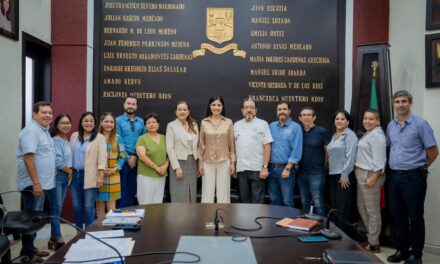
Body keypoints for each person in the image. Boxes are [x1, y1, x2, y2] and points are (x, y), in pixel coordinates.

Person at [386, 90, 438, 264]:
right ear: (393, 104)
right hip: (394, 177)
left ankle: (416, 254)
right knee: (398, 215)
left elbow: (433, 151)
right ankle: (401, 249)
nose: (400, 105)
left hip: (413, 177)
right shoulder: (390, 126)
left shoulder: (420, 124)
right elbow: (390, 148)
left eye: (404, 101)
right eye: (397, 102)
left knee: (415, 216)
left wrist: (421, 168)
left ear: (410, 103)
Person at [16, 101, 54, 262]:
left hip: (40, 184)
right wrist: (36, 182)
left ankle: (31, 249)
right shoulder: (31, 131)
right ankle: (27, 254)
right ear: (34, 114)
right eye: (43, 112)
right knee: (31, 219)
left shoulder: (43, 130)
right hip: (34, 185)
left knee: (36, 218)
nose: (48, 115)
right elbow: (28, 157)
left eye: (50, 113)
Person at [354, 109, 387, 253]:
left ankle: (374, 244)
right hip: (361, 174)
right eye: (365, 118)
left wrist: (373, 178)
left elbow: (380, 160)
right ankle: (371, 238)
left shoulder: (377, 136)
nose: (367, 121)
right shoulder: (369, 133)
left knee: (372, 212)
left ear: (378, 121)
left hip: (370, 176)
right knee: (362, 208)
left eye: (371, 119)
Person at [70, 112, 107, 228]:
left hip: (90, 176)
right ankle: (79, 233)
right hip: (74, 175)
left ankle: (90, 235)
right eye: (86, 121)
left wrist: (100, 176)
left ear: (95, 123)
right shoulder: (74, 136)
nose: (88, 123)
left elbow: (102, 158)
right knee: (77, 207)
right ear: (81, 123)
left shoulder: (99, 137)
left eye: (91, 121)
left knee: (88, 207)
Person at [234, 98, 272, 203]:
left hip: (257, 169)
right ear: (242, 110)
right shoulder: (236, 125)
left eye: (251, 107)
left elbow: (268, 146)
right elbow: (233, 147)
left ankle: (255, 220)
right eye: (246, 108)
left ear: (256, 110)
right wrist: (233, 165)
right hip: (241, 169)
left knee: (257, 201)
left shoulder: (263, 124)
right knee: (244, 201)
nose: (249, 110)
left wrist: (265, 167)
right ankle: (245, 220)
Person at [198, 95, 236, 203]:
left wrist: (233, 163)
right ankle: (207, 218)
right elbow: (201, 145)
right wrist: (200, 164)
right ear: (209, 106)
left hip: (224, 161)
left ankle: (222, 219)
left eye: (219, 105)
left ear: (222, 107)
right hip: (207, 162)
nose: (216, 107)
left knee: (223, 194)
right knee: (207, 194)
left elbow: (231, 144)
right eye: (213, 105)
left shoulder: (228, 122)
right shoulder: (204, 122)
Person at [297, 106, 330, 216]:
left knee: (318, 202)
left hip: (317, 173)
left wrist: (324, 166)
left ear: (314, 117)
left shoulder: (321, 132)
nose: (306, 117)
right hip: (301, 174)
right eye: (304, 115)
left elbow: (328, 152)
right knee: (304, 202)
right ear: (300, 118)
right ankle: (305, 227)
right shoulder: (298, 132)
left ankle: (323, 228)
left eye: (309, 115)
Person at [268, 101, 302, 207]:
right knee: (274, 200)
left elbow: (296, 149)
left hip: (286, 169)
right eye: (279, 109)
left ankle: (287, 224)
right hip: (272, 169)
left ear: (289, 111)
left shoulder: (296, 127)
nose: (282, 111)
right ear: (276, 112)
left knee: (287, 201)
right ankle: (275, 223)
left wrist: (288, 168)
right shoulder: (271, 126)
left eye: (284, 109)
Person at [327, 110, 358, 224]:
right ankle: (336, 231)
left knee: (343, 207)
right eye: (337, 119)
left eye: (342, 119)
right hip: (333, 175)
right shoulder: (335, 135)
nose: (339, 121)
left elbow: (351, 156)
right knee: (335, 205)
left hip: (344, 176)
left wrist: (344, 175)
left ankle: (344, 235)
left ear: (347, 122)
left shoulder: (350, 135)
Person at [48, 113, 73, 251]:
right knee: (56, 209)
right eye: (63, 123)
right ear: (57, 125)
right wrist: (70, 172)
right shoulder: (56, 141)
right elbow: (57, 162)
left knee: (57, 208)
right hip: (58, 176)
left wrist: (68, 172)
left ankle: (53, 236)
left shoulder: (65, 140)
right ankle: (58, 238)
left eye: (68, 122)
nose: (66, 125)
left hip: (64, 176)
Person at [166, 101, 199, 203]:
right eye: (179, 109)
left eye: (184, 109)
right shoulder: (171, 125)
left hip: (192, 162)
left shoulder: (194, 124)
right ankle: (178, 218)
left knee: (191, 193)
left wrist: (199, 164)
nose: (182, 111)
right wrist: (176, 167)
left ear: (188, 112)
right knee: (179, 194)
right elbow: (169, 147)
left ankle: (190, 218)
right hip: (179, 163)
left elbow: (198, 145)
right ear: (176, 112)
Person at [116, 96, 145, 208]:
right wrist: (128, 158)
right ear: (124, 105)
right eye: (128, 103)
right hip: (122, 160)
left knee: (132, 190)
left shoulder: (141, 122)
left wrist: (136, 157)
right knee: (121, 191)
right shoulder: (118, 120)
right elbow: (118, 140)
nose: (130, 106)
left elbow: (143, 141)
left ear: (136, 106)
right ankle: (120, 218)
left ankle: (130, 218)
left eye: (133, 104)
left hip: (137, 161)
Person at [96, 113, 127, 218]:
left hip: (113, 176)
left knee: (111, 207)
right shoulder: (95, 137)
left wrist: (114, 169)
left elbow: (123, 156)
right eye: (106, 121)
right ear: (101, 123)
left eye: (111, 122)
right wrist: (100, 170)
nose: (109, 124)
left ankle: (112, 231)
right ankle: (100, 231)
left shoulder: (118, 138)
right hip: (99, 176)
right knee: (99, 204)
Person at [136, 113, 169, 204]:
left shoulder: (164, 138)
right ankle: (146, 219)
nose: (151, 124)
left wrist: (165, 166)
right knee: (146, 202)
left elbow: (170, 154)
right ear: (145, 126)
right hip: (146, 175)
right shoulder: (141, 139)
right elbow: (142, 156)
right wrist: (156, 168)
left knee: (158, 202)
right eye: (148, 123)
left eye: (154, 122)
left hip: (161, 174)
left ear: (158, 124)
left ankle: (155, 219)